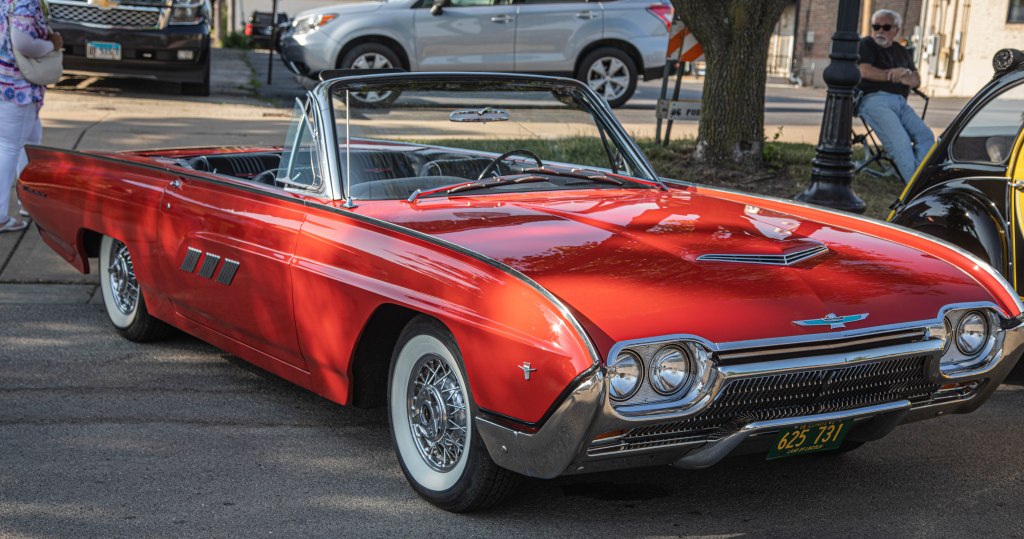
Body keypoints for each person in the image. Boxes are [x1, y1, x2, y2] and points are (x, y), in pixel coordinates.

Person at [0, 0, 61, 232]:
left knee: (30, 142)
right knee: (9, 148)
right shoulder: (24, 2)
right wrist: (51, 45)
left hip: (7, 83)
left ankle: (29, 201)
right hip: (17, 88)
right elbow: (22, 43)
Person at [856, 9, 934, 183]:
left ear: (896, 30)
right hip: (874, 100)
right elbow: (863, 70)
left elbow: (916, 80)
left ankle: (919, 180)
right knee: (901, 142)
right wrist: (891, 74)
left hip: (900, 103)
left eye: (886, 27)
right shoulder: (866, 44)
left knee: (926, 136)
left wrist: (906, 78)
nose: (880, 31)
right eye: (876, 26)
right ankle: (915, 188)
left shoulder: (901, 51)